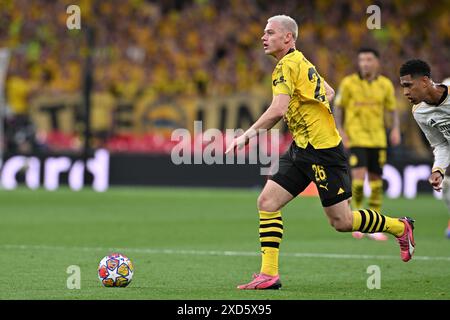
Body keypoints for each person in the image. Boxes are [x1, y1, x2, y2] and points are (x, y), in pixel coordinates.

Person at [225, 15, 415, 290]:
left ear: (288, 37)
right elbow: (329, 90)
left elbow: (277, 110)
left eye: (270, 32)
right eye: (264, 33)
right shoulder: (301, 61)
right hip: (302, 148)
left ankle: (400, 227)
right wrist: (307, 111)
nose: (263, 37)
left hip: (323, 152)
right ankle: (269, 274)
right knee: (267, 202)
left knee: (342, 221)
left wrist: (246, 136)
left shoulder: (286, 67)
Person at [334, 48, 401, 241]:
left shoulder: (385, 85)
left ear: (377, 62)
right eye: (362, 60)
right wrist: (341, 131)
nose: (365, 63)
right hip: (357, 138)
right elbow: (338, 108)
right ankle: (357, 219)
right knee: (358, 178)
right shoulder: (349, 83)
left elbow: (392, 110)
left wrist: (395, 129)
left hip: (378, 139)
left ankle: (375, 223)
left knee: (376, 180)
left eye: (369, 60)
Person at [399, 60, 450, 238]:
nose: (405, 92)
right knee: (447, 185)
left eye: (408, 86)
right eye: (403, 87)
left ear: (424, 81)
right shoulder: (419, 112)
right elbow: (441, 144)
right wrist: (438, 169)